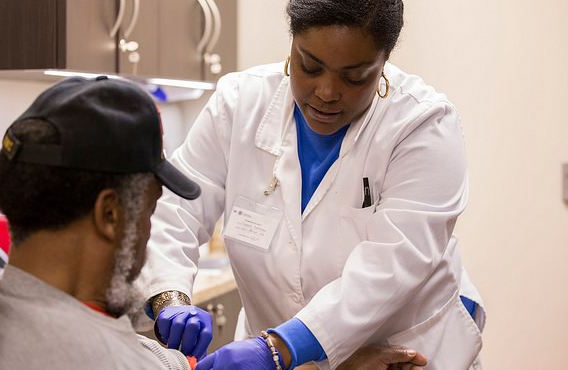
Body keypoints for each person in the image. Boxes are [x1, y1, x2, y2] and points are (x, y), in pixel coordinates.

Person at [0, 75, 427, 370]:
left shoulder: (1, 325)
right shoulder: (98, 357)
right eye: (150, 209)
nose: (153, 230)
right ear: (109, 215)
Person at [138, 0, 485, 369]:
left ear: (383, 64)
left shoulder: (424, 125)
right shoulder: (239, 103)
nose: (326, 92)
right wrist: (169, 297)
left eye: (354, 77)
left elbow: (393, 266)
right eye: (309, 66)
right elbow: (176, 207)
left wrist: (277, 349)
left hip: (403, 354)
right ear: (292, 45)